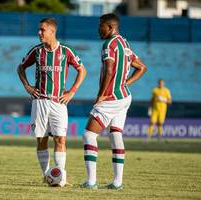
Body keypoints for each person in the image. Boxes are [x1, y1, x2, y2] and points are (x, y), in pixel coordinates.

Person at [80, 13, 147, 190]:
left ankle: (91, 182)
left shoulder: (109, 44)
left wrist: (101, 95)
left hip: (110, 98)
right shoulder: (125, 44)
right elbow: (142, 67)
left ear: (110, 27)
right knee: (115, 134)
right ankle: (117, 182)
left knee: (89, 135)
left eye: (100, 25)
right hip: (124, 96)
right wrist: (126, 83)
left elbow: (109, 70)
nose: (98, 29)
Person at [17, 18, 86, 184]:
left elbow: (82, 70)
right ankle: (47, 175)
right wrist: (27, 86)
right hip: (39, 101)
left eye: (42, 30)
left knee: (60, 139)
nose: (39, 33)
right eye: (39, 30)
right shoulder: (37, 51)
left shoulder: (66, 51)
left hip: (58, 102)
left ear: (52, 32)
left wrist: (72, 92)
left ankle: (60, 176)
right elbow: (21, 67)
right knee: (41, 139)